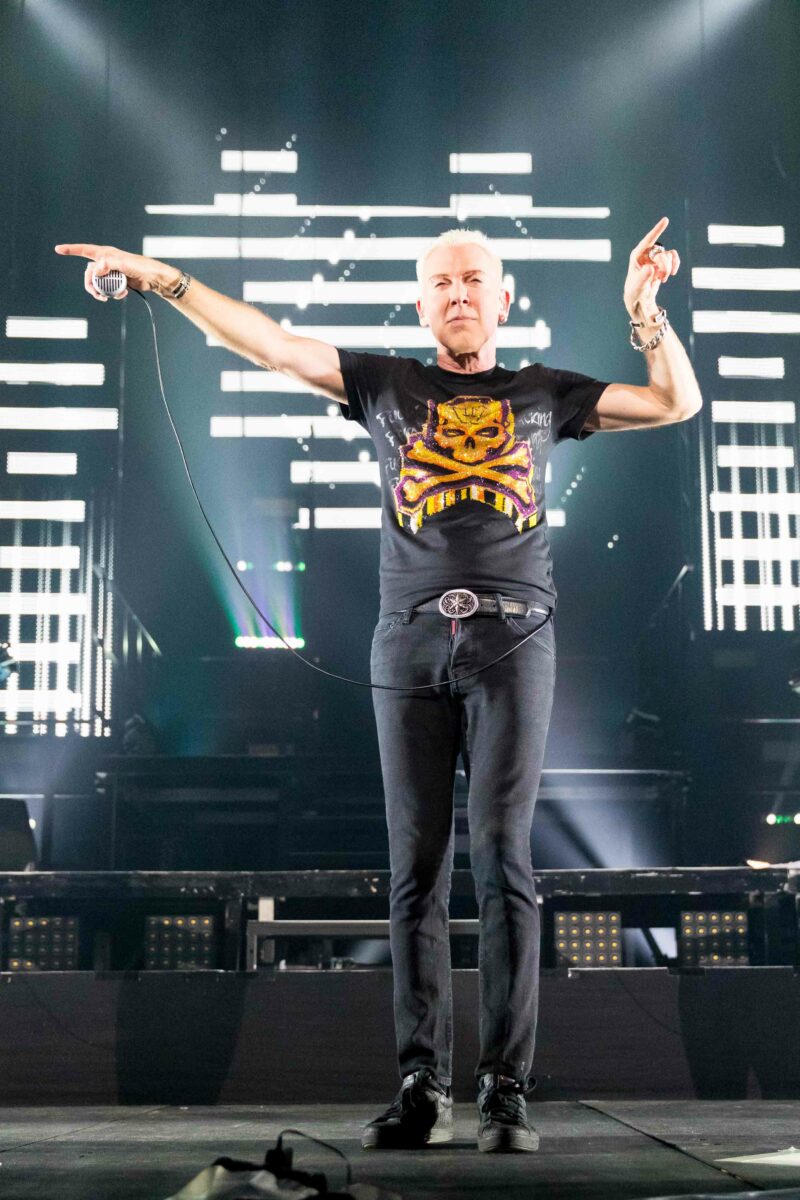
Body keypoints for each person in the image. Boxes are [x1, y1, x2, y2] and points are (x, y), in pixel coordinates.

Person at [56, 218, 701, 1152]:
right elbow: (271, 344)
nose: (458, 295)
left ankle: (505, 1089)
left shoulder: (545, 392)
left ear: (504, 298)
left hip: (516, 635)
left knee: (504, 855)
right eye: (442, 283)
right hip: (406, 639)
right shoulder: (386, 384)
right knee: (415, 869)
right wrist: (161, 278)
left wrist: (645, 313)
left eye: (474, 281)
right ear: (421, 302)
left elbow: (676, 401)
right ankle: (421, 1085)